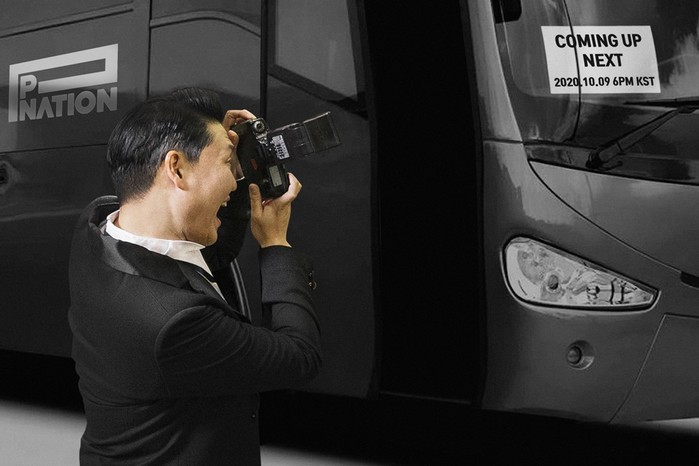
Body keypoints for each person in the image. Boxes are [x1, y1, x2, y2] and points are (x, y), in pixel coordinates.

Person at [67, 87, 322, 465]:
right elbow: (300, 357)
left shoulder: (97, 227)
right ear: (176, 168)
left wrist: (223, 149)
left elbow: (210, 258)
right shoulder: (173, 322)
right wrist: (275, 245)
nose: (235, 180)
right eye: (227, 164)